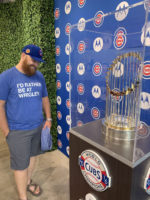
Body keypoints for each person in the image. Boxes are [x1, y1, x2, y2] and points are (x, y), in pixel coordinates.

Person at [0, 44, 52, 200]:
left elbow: (45, 99)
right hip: (17, 131)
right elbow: (0, 106)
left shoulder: (39, 76)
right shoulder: (6, 77)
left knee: (33, 157)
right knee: (20, 166)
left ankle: (28, 183)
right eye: (33, 60)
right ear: (23, 55)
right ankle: (23, 197)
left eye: (38, 62)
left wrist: (48, 118)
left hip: (37, 127)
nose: (35, 65)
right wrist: (6, 131)